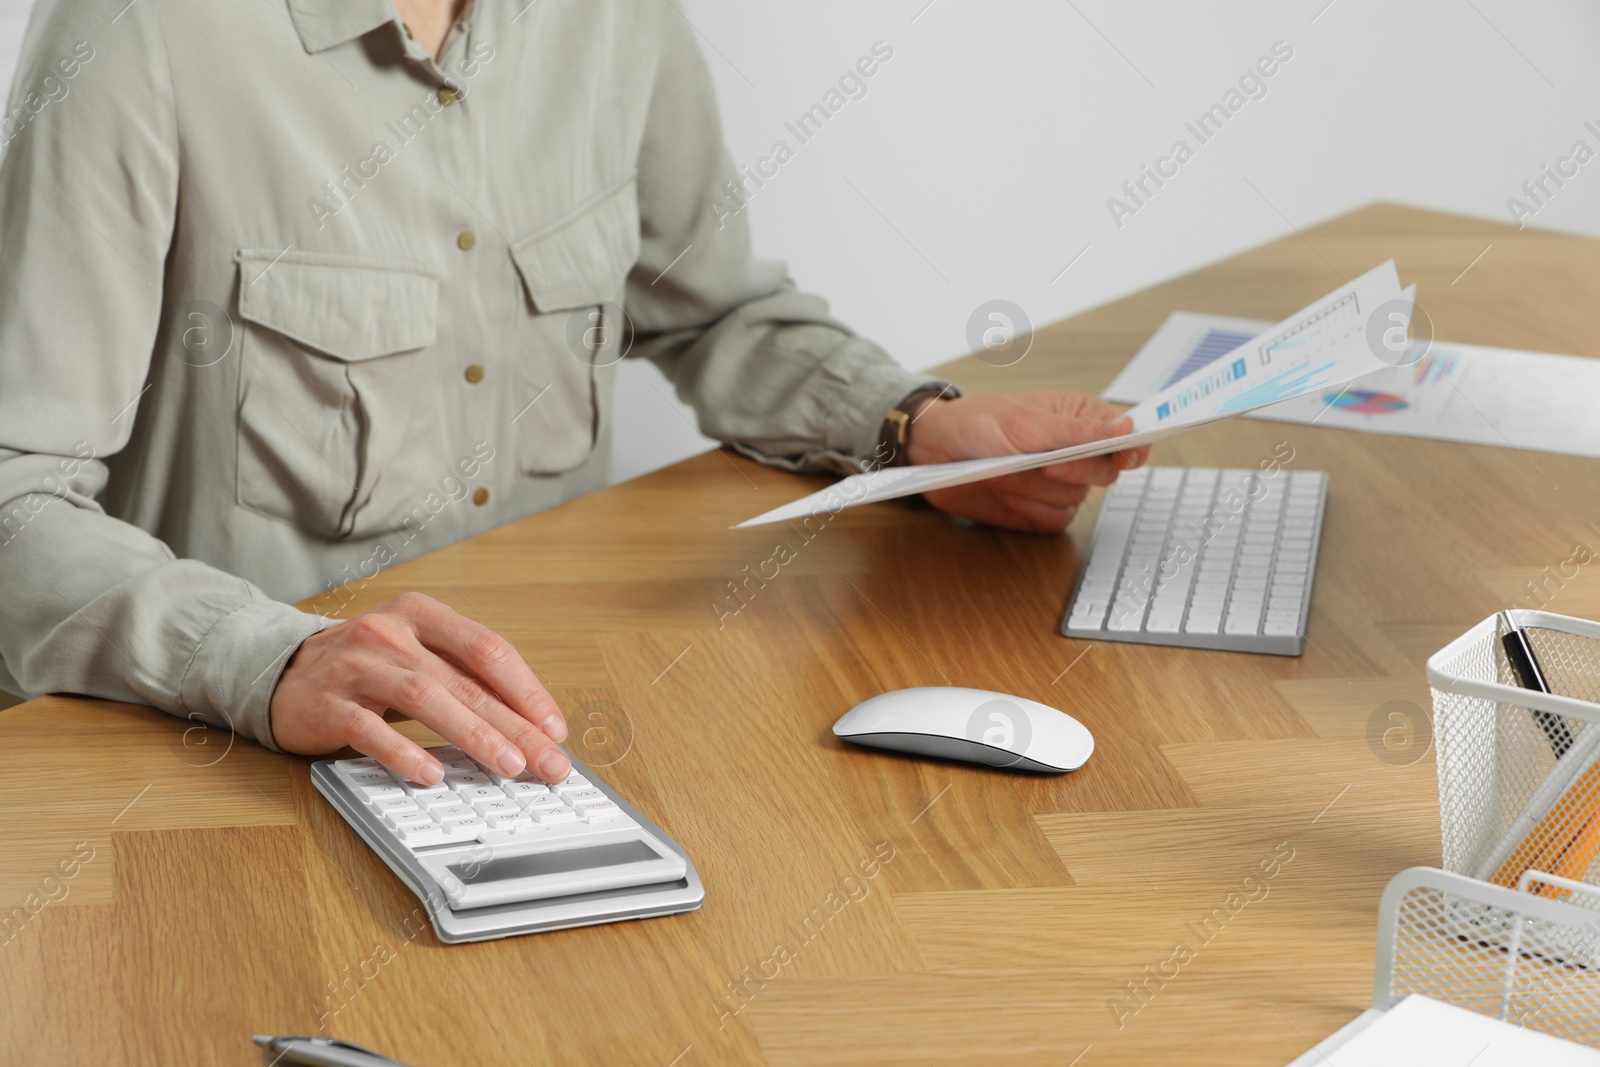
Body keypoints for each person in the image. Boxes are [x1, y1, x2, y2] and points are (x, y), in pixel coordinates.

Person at [0, 0, 1146, 787]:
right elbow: (16, 495)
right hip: (218, 764)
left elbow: (709, 306)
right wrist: (267, 655)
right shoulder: (140, 32)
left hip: (549, 740)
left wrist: (916, 427)